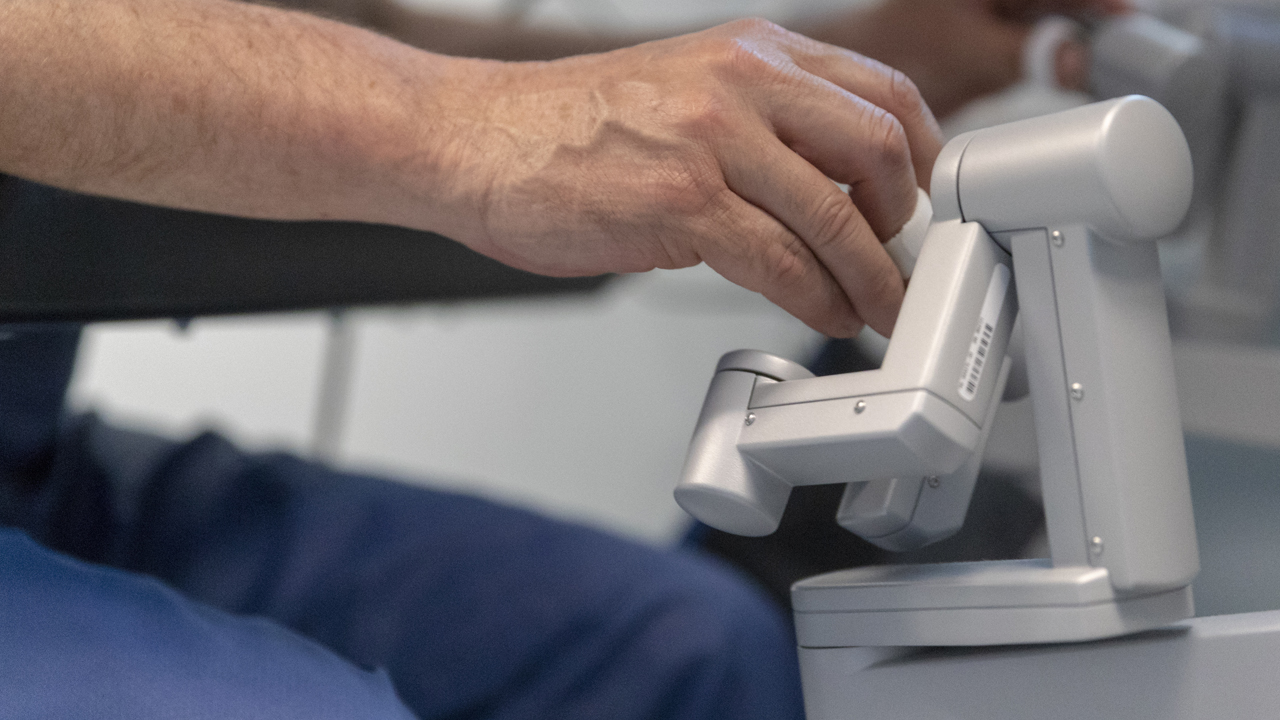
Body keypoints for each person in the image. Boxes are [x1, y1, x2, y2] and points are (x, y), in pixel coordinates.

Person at [0, 1, 1118, 718]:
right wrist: (450, 127)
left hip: (31, 461)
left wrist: (859, 61)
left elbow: (295, 34)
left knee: (692, 654)